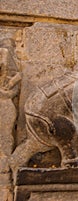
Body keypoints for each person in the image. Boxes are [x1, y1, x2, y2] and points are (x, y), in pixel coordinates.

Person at [0, 39, 21, 174]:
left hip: (5, 104)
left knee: (6, 134)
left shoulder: (6, 56)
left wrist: (7, 90)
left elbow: (15, 83)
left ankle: (5, 162)